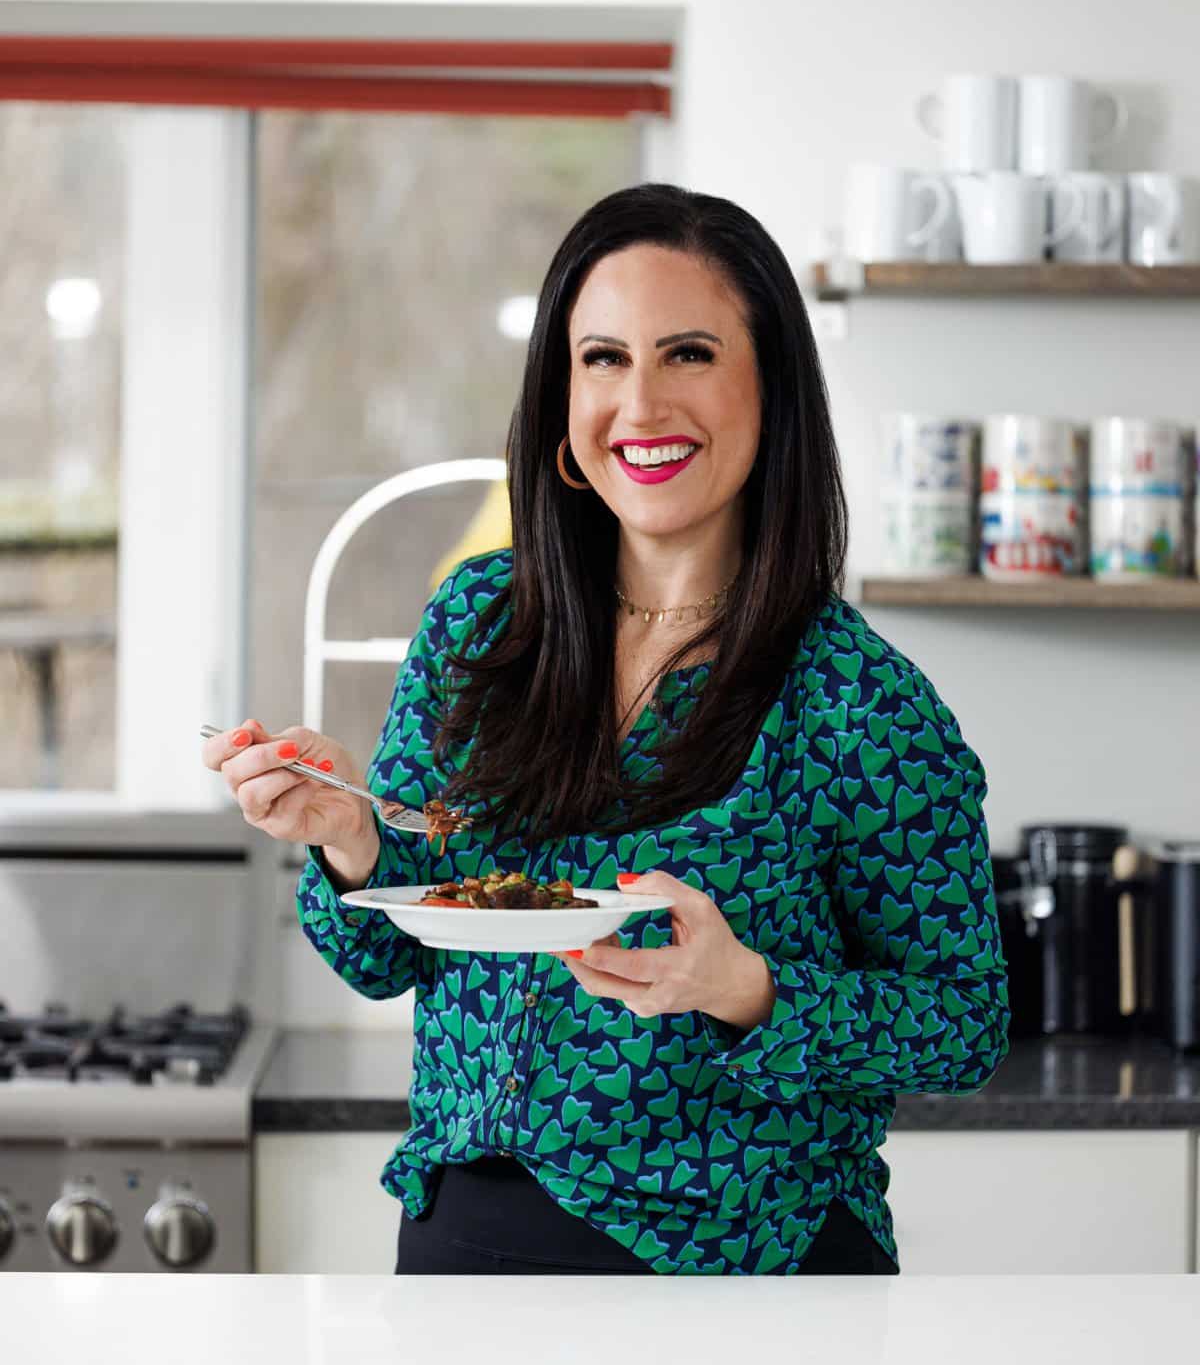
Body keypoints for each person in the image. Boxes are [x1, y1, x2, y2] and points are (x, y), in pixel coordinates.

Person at [205, 183, 1010, 1276]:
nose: (640, 402)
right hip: (466, 1239)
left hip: (749, 1267)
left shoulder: (858, 698)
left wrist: (745, 987)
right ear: (561, 400)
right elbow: (382, 951)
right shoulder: (478, 623)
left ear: (770, 391)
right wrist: (345, 835)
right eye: (602, 358)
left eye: (688, 353)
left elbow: (962, 1020)